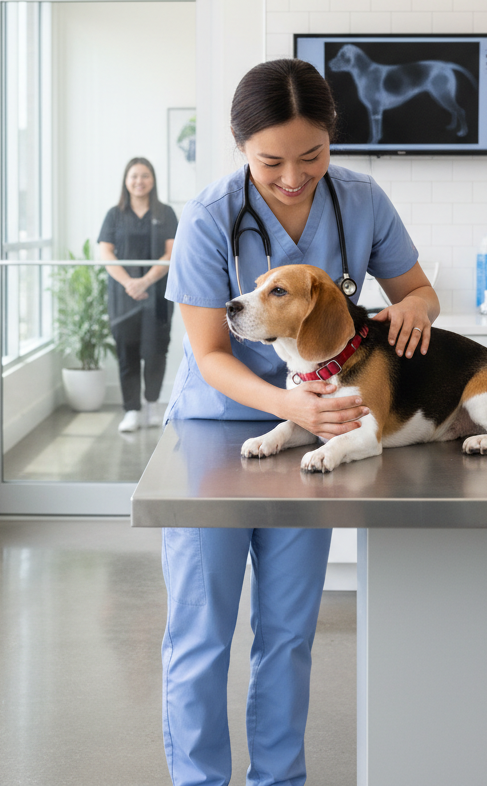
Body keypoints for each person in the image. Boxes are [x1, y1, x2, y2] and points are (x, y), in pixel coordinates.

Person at [160, 58, 440, 786]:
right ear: (239, 144)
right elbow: (211, 353)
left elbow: (417, 291)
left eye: (311, 157)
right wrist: (291, 405)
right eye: (270, 161)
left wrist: (414, 308)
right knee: (201, 638)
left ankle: (280, 781)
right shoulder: (209, 218)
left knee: (286, 637)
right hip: (216, 435)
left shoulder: (360, 201)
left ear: (332, 137)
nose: (292, 177)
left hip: (308, 434)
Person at [98, 157, 178, 432]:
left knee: (156, 351)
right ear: (126, 180)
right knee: (127, 352)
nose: (139, 181)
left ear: (152, 180)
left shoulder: (165, 213)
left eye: (144, 176)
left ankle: (153, 405)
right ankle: (131, 410)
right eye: (134, 176)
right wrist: (130, 283)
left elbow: (171, 253)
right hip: (124, 296)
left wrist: (144, 281)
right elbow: (105, 253)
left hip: (157, 295)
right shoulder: (114, 214)